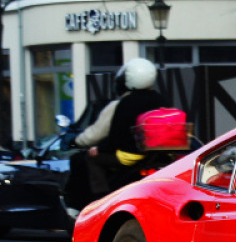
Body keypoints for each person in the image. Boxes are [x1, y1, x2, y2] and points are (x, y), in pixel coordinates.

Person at [70, 58, 166, 206]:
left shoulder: (125, 103)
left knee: (91, 159)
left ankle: (100, 200)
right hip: (159, 153)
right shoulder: (160, 99)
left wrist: (99, 149)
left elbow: (116, 137)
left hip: (130, 156)